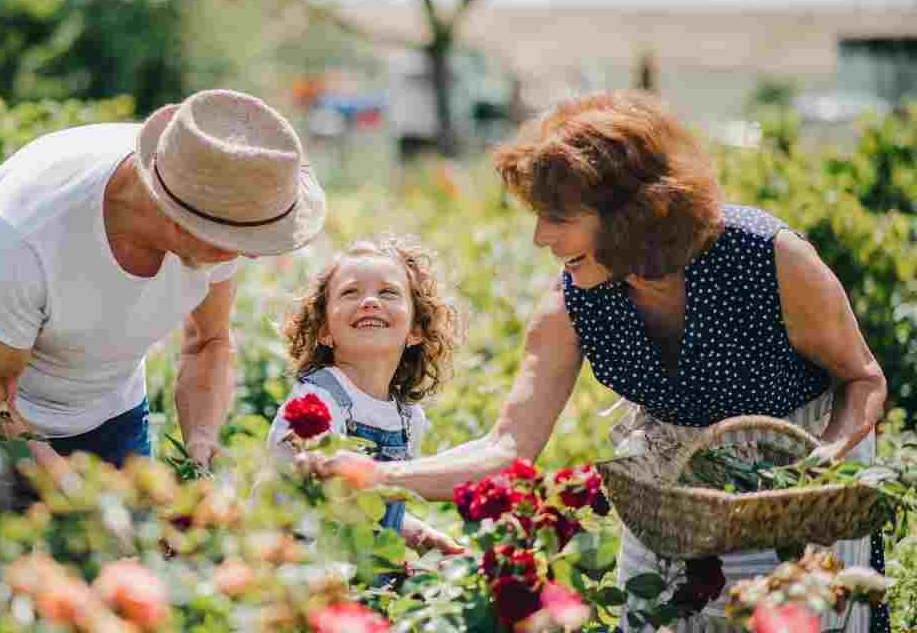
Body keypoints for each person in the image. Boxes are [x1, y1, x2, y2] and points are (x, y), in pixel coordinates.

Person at [300, 91, 889, 632]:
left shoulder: (765, 257)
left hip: (796, 486)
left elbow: (863, 378)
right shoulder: (573, 302)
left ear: (633, 212)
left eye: (557, 218)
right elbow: (508, 447)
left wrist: (823, 462)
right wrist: (379, 475)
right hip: (675, 495)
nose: (539, 237)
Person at [0, 89, 326, 472]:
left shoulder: (222, 184)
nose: (251, 253)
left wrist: (201, 443)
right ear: (180, 219)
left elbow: (208, 341)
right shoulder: (20, 235)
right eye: (238, 240)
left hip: (109, 413)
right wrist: (89, 498)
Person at [268, 236, 464, 555]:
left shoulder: (409, 418)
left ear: (415, 330)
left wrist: (416, 533)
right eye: (350, 292)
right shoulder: (317, 403)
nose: (370, 301)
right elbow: (293, 508)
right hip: (306, 571)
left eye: (387, 292)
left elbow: (377, 508)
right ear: (324, 330)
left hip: (366, 579)